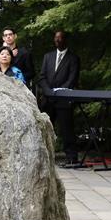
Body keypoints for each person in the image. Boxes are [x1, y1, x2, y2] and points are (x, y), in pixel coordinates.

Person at [37, 30, 81, 165]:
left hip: (64, 99)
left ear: (66, 40)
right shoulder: (48, 56)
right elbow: (42, 76)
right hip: (48, 99)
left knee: (67, 129)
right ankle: (43, 156)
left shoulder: (73, 58)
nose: (57, 40)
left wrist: (59, 91)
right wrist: (48, 91)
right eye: (55, 38)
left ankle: (72, 157)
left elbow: (72, 79)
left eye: (60, 38)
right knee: (44, 128)